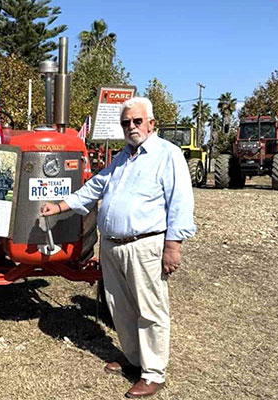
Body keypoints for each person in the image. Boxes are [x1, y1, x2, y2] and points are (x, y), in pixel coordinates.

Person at [41, 97, 195, 398]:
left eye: (137, 121)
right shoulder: (123, 157)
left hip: (145, 245)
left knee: (150, 310)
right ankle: (134, 359)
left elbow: (180, 203)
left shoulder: (168, 154)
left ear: (151, 123)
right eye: (126, 123)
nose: (131, 127)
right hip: (112, 246)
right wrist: (59, 206)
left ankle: (153, 373)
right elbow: (95, 187)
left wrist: (173, 246)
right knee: (120, 308)